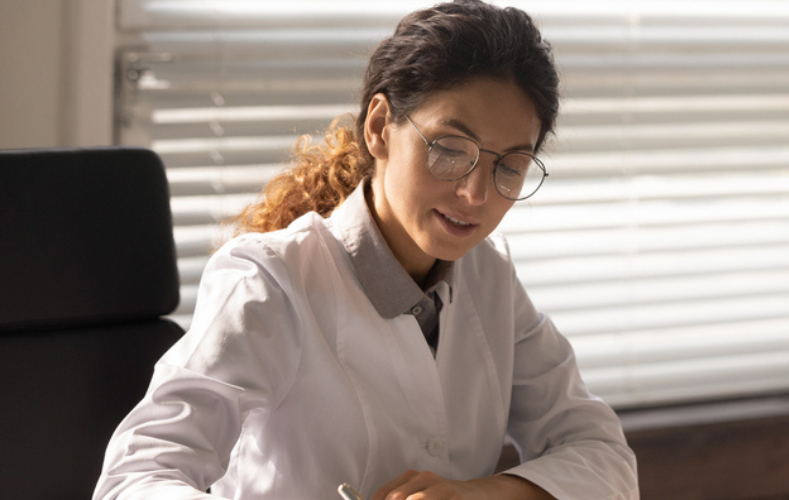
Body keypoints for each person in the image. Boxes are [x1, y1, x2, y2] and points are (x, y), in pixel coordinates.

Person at [92, 2, 638, 499]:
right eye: (451, 149)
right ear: (379, 127)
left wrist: (482, 494)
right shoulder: (269, 282)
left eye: (510, 166)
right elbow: (136, 478)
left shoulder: (488, 278)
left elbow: (603, 457)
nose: (476, 193)